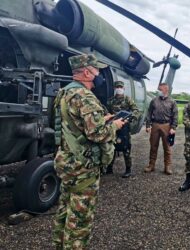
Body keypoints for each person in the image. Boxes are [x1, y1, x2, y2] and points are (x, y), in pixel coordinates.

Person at [53, 54, 125, 249]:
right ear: (86, 72)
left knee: (65, 207)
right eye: (96, 71)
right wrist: (115, 125)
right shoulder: (85, 97)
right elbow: (98, 134)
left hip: (66, 159)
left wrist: (102, 118)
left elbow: (71, 124)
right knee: (81, 217)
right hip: (82, 165)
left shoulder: (64, 93)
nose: (99, 75)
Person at [107, 80, 140, 178]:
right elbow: (107, 112)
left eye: (121, 87)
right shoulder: (111, 100)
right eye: (117, 87)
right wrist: (108, 116)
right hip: (113, 127)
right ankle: (109, 168)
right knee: (111, 146)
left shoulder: (128, 100)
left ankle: (128, 170)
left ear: (124, 89)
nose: (119, 89)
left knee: (126, 148)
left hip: (124, 127)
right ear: (114, 89)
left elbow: (136, 111)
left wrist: (128, 119)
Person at [144, 82, 178, 175]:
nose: (159, 91)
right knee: (153, 146)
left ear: (166, 90)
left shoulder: (172, 101)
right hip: (155, 125)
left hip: (166, 126)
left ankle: (167, 166)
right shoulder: (154, 100)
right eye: (158, 89)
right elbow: (149, 113)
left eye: (160, 89)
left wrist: (173, 127)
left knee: (167, 147)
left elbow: (175, 116)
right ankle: (151, 165)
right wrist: (148, 125)